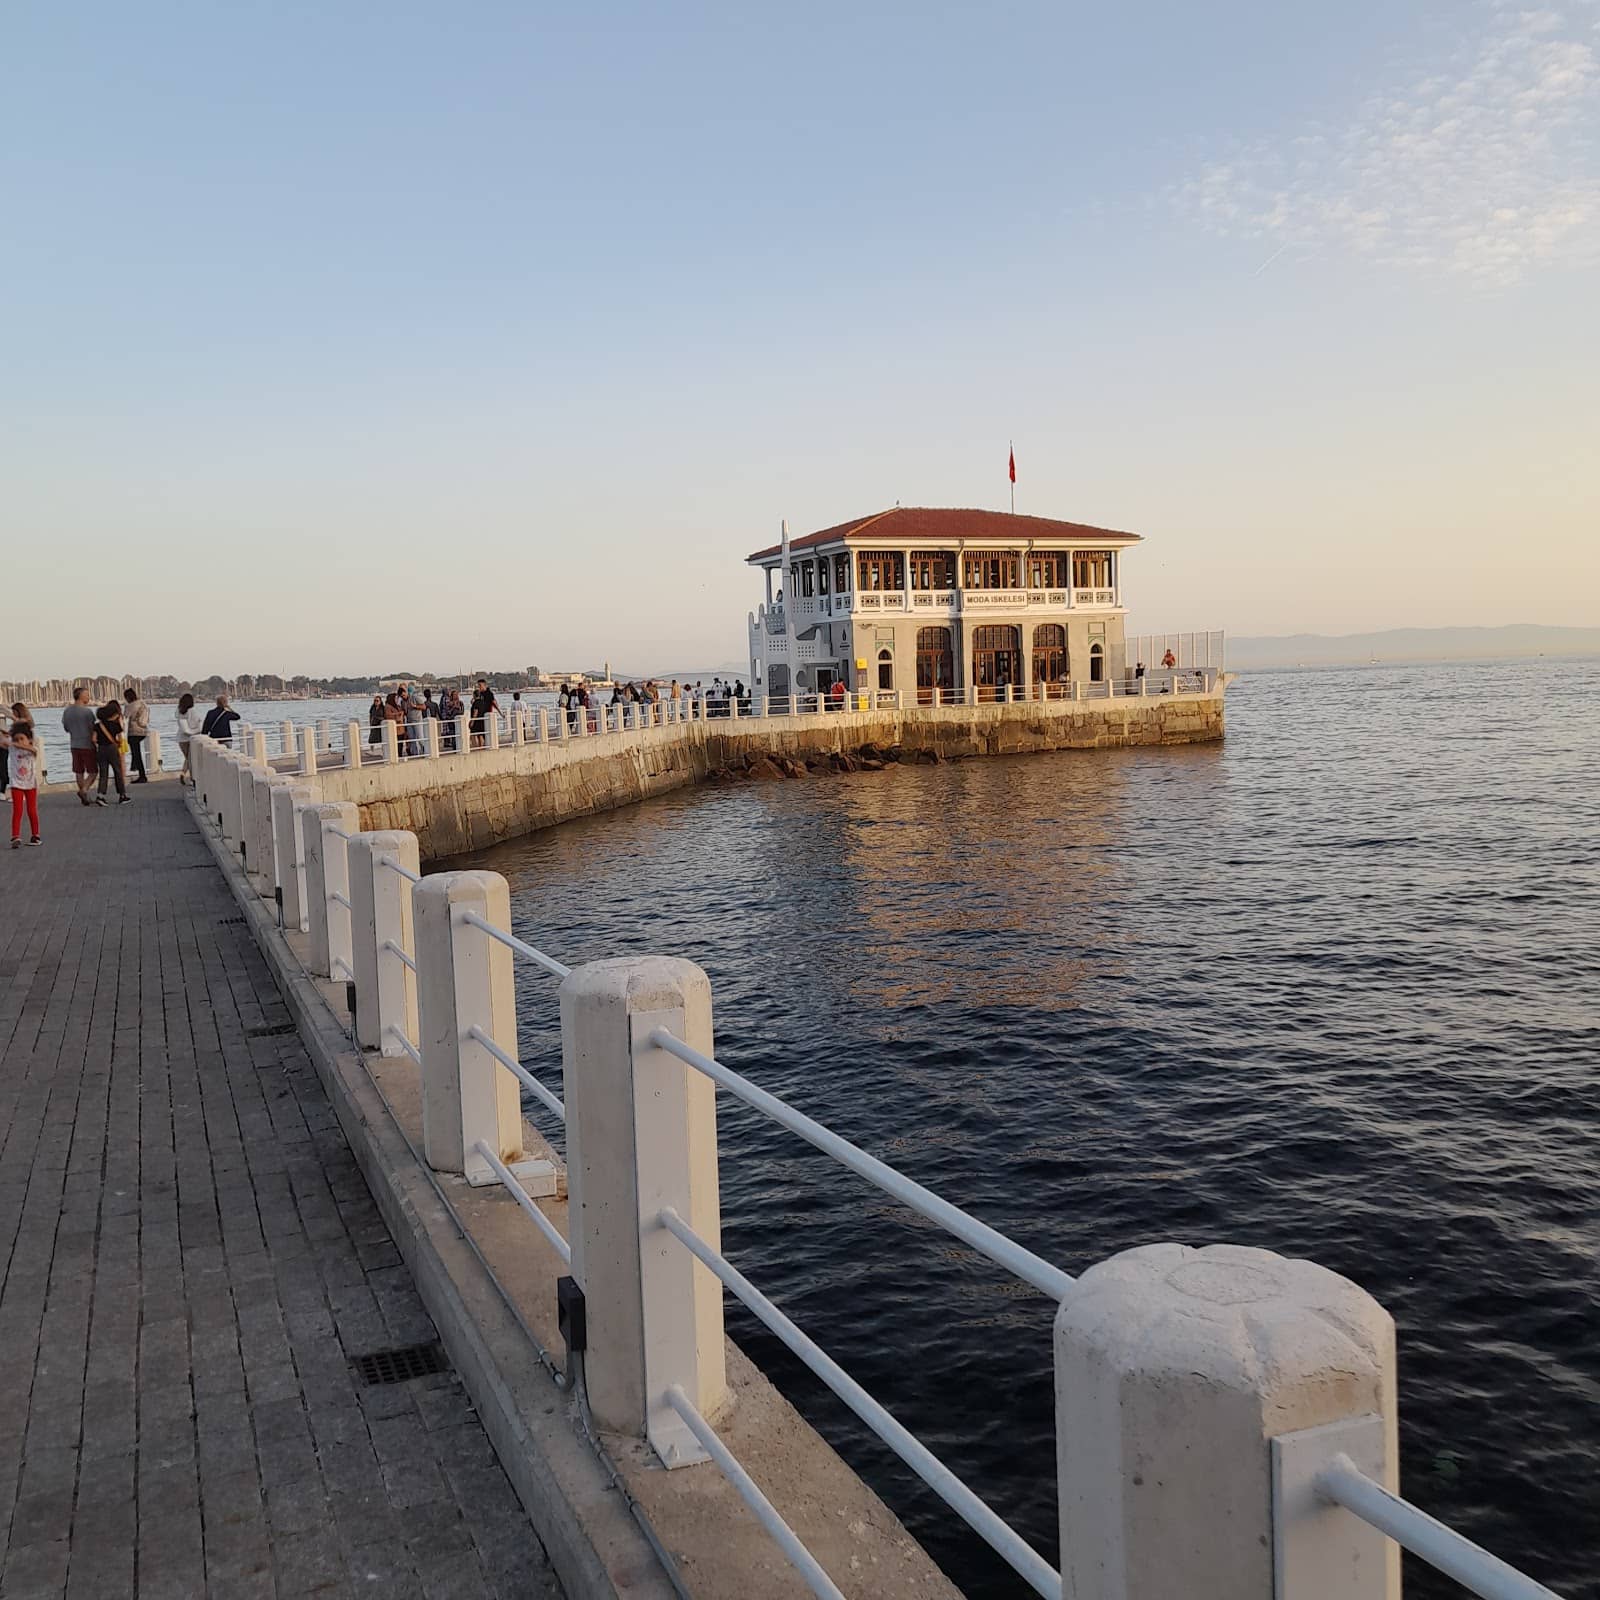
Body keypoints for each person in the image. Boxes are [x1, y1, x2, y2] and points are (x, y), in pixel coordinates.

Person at [3, 720, 40, 846]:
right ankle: (15, 836)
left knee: (32, 810)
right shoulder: (12, 749)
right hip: (16, 783)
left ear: (29, 739)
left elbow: (32, 748)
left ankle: (35, 835)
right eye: (17, 739)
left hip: (30, 784)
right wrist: (10, 734)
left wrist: (19, 743)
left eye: (22, 738)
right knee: (17, 810)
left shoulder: (32, 749)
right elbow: (3, 740)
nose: (19, 742)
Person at [62, 686, 98, 806]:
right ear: (81, 696)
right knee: (93, 772)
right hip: (87, 744)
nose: (89, 697)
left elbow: (66, 728)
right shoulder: (87, 712)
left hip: (74, 744)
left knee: (79, 771)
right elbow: (93, 728)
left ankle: (84, 798)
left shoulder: (67, 711)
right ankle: (84, 790)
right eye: (87, 695)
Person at [94, 698, 130, 805]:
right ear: (112, 714)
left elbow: (93, 739)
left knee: (103, 773)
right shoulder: (115, 725)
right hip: (112, 749)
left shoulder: (97, 725)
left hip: (101, 749)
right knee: (117, 771)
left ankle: (100, 796)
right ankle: (122, 795)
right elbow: (119, 737)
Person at [123, 686, 151, 782]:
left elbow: (125, 716)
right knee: (136, 753)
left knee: (136, 753)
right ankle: (135, 766)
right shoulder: (143, 703)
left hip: (134, 732)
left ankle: (141, 774)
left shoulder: (131, 705)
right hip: (143, 730)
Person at [469, 678, 497, 748]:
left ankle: (481, 747)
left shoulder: (489, 693)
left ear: (484, 685)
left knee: (481, 734)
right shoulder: (480, 694)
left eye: (480, 685)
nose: (479, 687)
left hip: (486, 716)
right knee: (480, 734)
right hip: (481, 716)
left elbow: (494, 703)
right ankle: (481, 747)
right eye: (478, 686)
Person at [404, 692, 424, 756]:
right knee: (412, 739)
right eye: (402, 696)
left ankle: (425, 751)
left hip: (417, 721)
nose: (403, 697)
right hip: (409, 721)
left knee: (420, 737)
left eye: (403, 695)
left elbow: (424, 706)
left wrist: (415, 706)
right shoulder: (403, 701)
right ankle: (415, 753)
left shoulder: (415, 697)